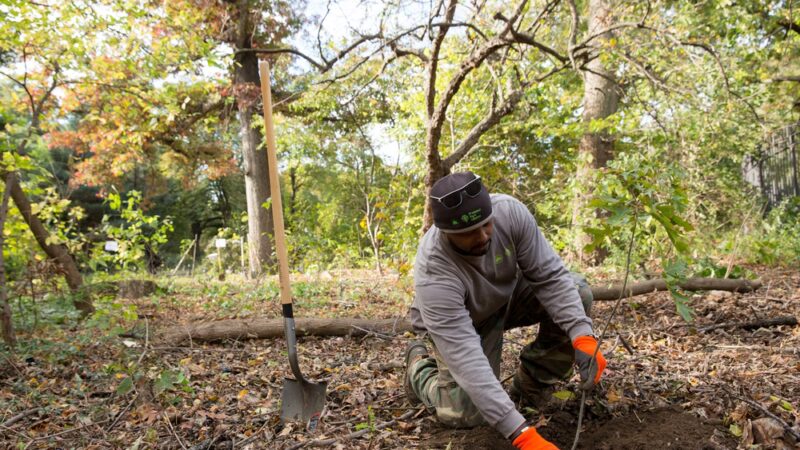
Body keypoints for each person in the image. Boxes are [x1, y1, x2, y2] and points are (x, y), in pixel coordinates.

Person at [405, 172, 607, 450]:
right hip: (465, 322)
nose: (482, 236)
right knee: (466, 413)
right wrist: (520, 433)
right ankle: (418, 369)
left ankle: (531, 387)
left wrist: (583, 335)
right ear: (446, 233)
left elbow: (550, 277)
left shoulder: (509, 212)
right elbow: (466, 357)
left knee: (578, 291)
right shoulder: (434, 271)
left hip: (507, 297)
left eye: (486, 224)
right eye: (467, 233)